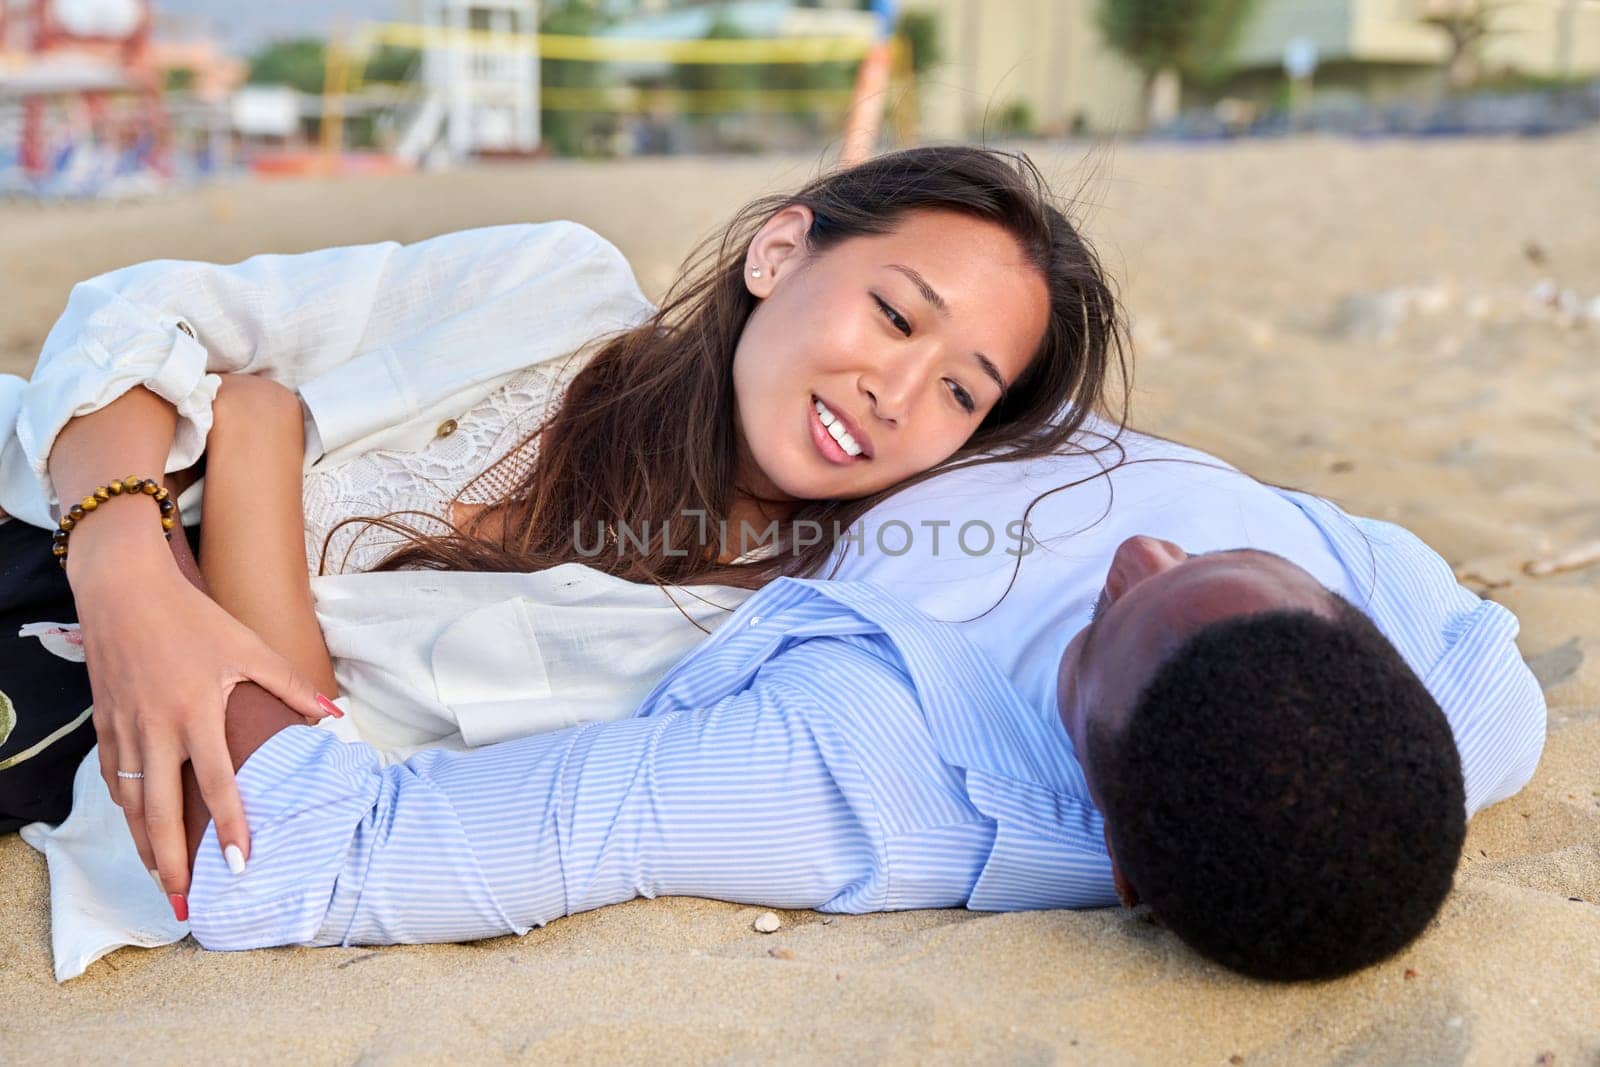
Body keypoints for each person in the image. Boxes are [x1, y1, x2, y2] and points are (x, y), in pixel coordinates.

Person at [0, 146, 1127, 913]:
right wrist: (129, 568)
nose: (897, 389)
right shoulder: (554, 290)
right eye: (893, 314)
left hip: (48, 741)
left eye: (960, 392)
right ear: (780, 253)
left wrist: (254, 432)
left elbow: (294, 787)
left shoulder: (704, 648)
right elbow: (144, 316)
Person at [173, 454, 1544, 981]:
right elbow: (1486, 654)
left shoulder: (858, 770)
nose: (1145, 556)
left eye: (1100, 636)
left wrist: (154, 590)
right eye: (1216, 558)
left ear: (1117, 855)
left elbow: (303, 855)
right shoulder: (1454, 707)